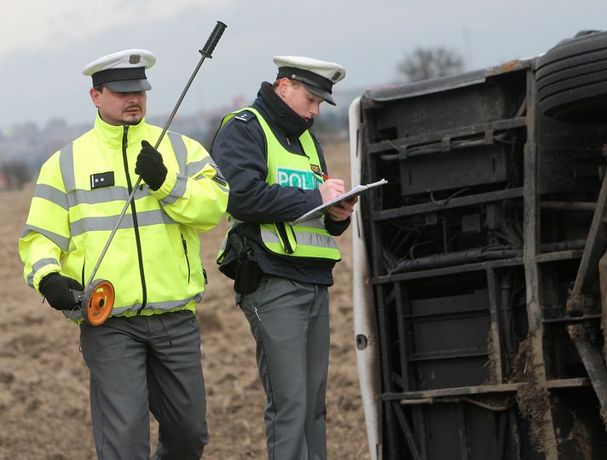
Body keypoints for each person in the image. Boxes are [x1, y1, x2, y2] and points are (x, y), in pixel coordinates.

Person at [18, 49, 228, 460]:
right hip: (108, 321)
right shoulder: (64, 164)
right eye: (121, 91)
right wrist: (47, 277)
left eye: (140, 91)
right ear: (95, 96)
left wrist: (167, 183)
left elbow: (214, 209)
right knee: (124, 442)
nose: (134, 99)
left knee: (189, 435)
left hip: (175, 318)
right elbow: (39, 238)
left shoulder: (182, 150)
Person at [211, 55, 356, 460]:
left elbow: (317, 217)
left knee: (313, 404)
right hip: (271, 280)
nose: (314, 112)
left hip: (314, 281)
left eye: (319, 104)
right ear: (284, 85)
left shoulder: (309, 140)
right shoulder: (244, 128)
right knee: (290, 403)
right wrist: (316, 197)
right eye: (310, 99)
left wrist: (337, 214)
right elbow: (239, 195)